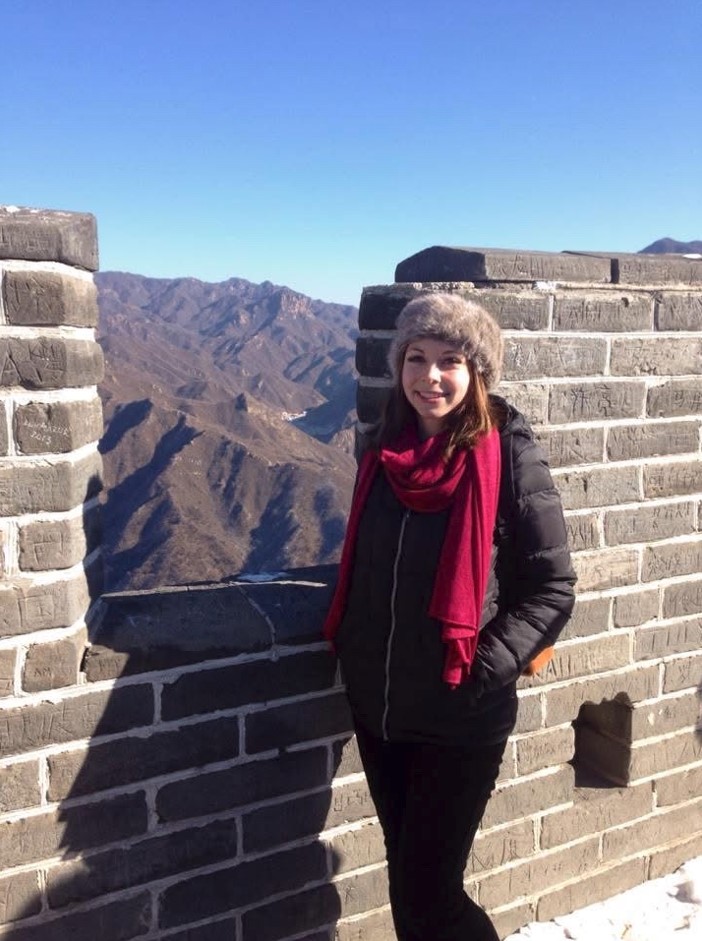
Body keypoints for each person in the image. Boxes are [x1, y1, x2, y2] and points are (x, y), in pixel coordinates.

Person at [323, 293, 576, 941]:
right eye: (415, 357)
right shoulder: (386, 449)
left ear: (477, 373)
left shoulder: (508, 452)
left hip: (460, 719)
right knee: (408, 889)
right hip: (380, 710)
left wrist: (481, 667)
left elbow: (553, 586)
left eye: (449, 360)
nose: (428, 376)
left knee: (431, 894)